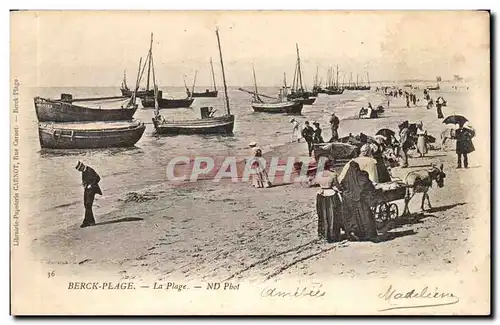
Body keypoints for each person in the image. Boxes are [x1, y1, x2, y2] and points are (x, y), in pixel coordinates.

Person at [339, 161, 379, 242]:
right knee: (365, 216)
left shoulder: (347, 177)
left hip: (349, 201)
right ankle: (367, 234)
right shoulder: (362, 175)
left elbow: (342, 185)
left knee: (352, 217)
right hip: (360, 200)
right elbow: (368, 185)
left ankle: (354, 233)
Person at [75, 161, 102, 228]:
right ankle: (91, 221)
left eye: (79, 169)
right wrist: (84, 184)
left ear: (82, 167)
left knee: (88, 205)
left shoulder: (90, 170)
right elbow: (85, 180)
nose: (79, 171)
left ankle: (86, 222)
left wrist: (91, 185)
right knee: (86, 205)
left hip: (92, 190)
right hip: (87, 190)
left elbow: (98, 178)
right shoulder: (84, 171)